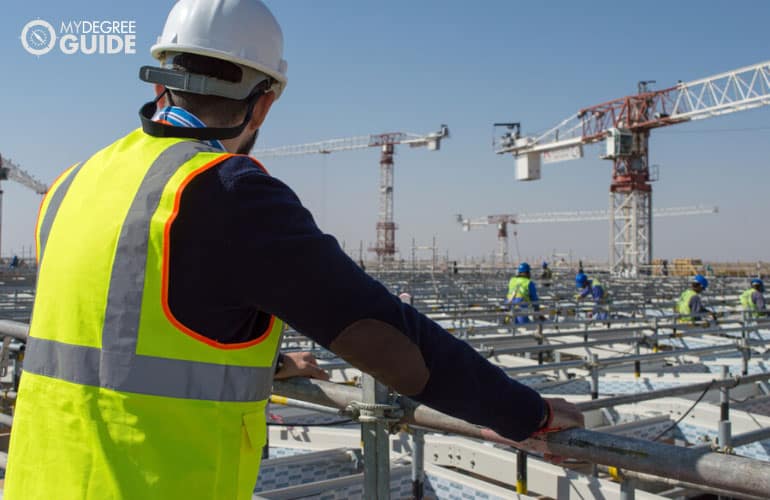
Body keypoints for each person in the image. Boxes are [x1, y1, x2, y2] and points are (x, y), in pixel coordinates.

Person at [4, 1, 583, 498]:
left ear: (160, 82)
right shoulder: (225, 192)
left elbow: (122, 329)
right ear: (265, 101)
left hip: (39, 480)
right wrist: (525, 413)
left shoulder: (71, 183)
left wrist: (270, 363)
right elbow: (387, 336)